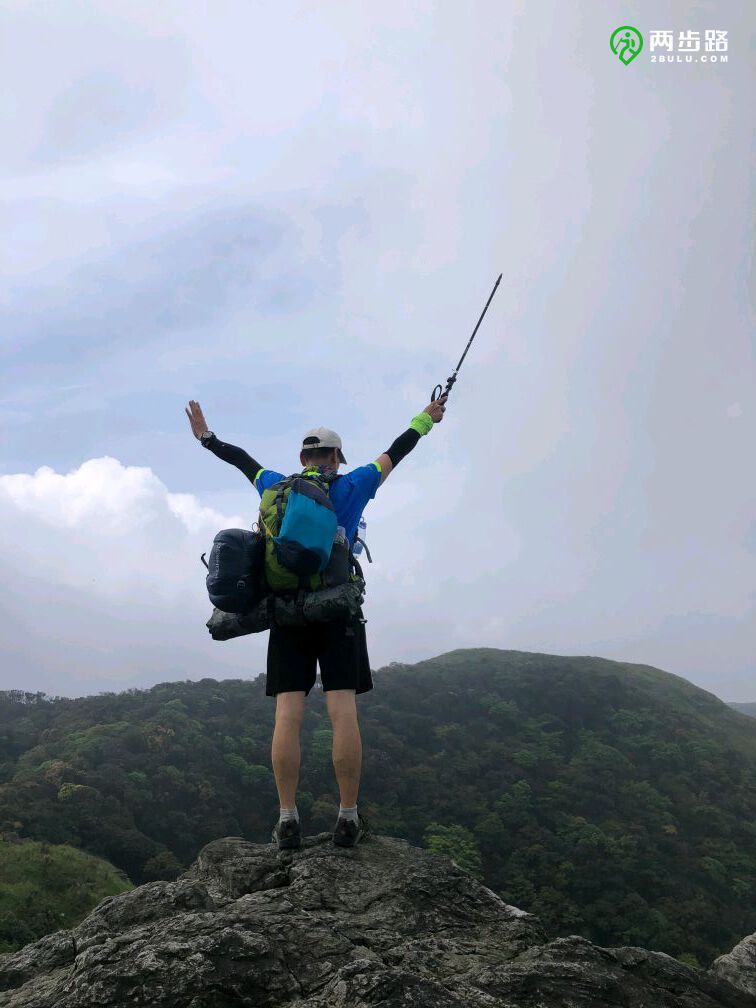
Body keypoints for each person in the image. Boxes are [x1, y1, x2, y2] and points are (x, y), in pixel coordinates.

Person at [185, 395, 447, 851]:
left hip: (287, 614)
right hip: (338, 611)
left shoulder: (276, 485)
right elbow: (397, 450)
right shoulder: (353, 485)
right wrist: (429, 417)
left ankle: (287, 817)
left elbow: (242, 461)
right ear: (335, 458)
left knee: (288, 713)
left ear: (303, 458)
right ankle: (348, 816)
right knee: (341, 709)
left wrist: (207, 438)